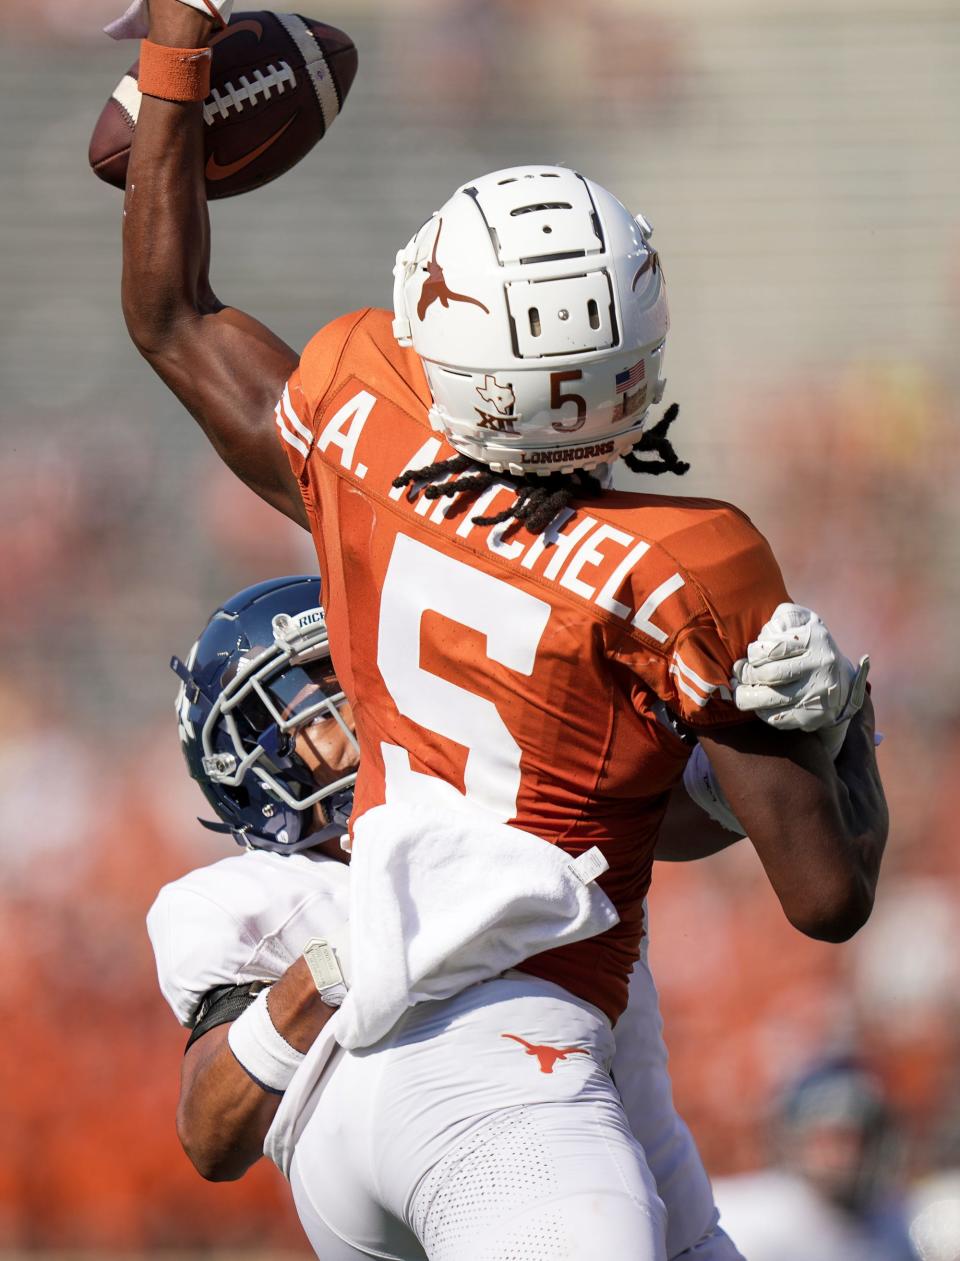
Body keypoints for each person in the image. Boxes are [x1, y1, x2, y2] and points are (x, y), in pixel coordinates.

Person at [121, 4, 889, 1255]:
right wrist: (837, 734)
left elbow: (171, 315)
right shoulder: (690, 560)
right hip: (519, 1079)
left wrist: (176, 50)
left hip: (378, 1090)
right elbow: (828, 895)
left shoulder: (367, 422)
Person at [154, 577, 864, 1261]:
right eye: (319, 699)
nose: (361, 710)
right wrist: (338, 967)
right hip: (484, 1191)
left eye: (359, 675)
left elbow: (700, 810)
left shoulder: (498, 793)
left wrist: (797, 725)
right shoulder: (258, 895)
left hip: (664, 1207)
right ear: (243, 756)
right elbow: (211, 1135)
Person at [713, 1058, 918, 1261]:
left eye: (862, 1140)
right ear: (795, 1140)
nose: (847, 1155)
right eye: (833, 1139)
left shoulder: (896, 1223)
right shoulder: (754, 1222)